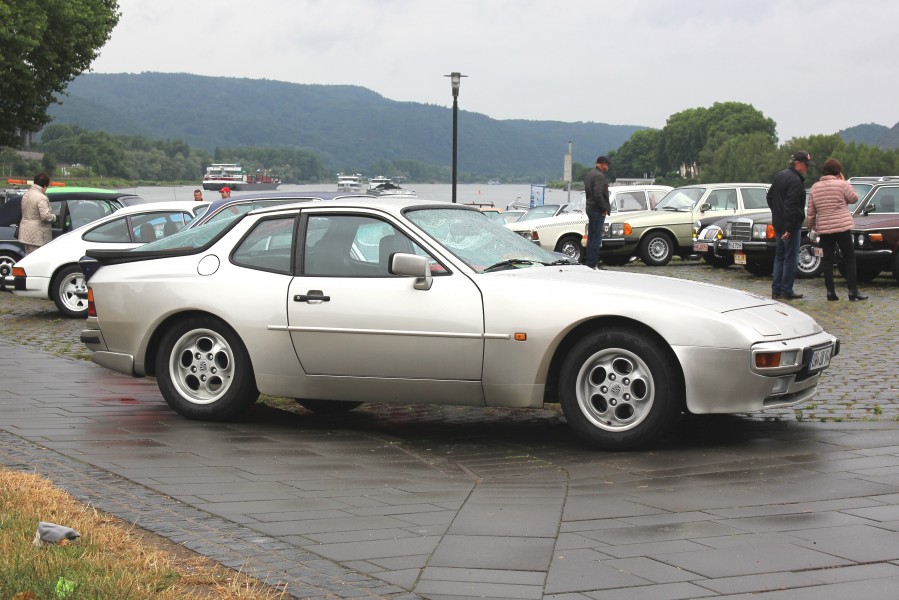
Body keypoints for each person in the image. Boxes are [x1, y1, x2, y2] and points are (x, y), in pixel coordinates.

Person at [807, 159, 867, 301]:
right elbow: (854, 198)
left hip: (825, 229)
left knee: (827, 260)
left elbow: (811, 211)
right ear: (838, 171)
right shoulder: (842, 184)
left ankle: (830, 292)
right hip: (842, 227)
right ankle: (853, 291)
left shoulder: (815, 187)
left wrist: (812, 227)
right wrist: (845, 181)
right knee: (849, 258)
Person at [767, 151, 811, 299]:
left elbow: (770, 196)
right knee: (791, 258)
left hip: (779, 223)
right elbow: (792, 206)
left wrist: (776, 213)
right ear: (797, 163)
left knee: (779, 257)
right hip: (790, 226)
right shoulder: (795, 181)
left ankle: (776, 290)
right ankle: (786, 290)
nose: (807, 168)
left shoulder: (780, 175)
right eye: (805, 164)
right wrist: (790, 228)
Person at [583, 156, 611, 269]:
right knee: (596, 238)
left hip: (590, 208)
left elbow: (589, 193)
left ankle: (589, 262)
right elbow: (598, 194)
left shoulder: (590, 174)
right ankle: (593, 263)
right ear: (603, 164)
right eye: (607, 165)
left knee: (591, 236)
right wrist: (604, 208)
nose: (607, 167)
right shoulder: (599, 176)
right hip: (597, 210)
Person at [18, 172, 56, 255]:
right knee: (36, 260)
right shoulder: (41, 197)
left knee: (28, 258)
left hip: (26, 233)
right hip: (37, 236)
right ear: (45, 185)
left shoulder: (26, 194)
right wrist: (54, 217)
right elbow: (45, 216)